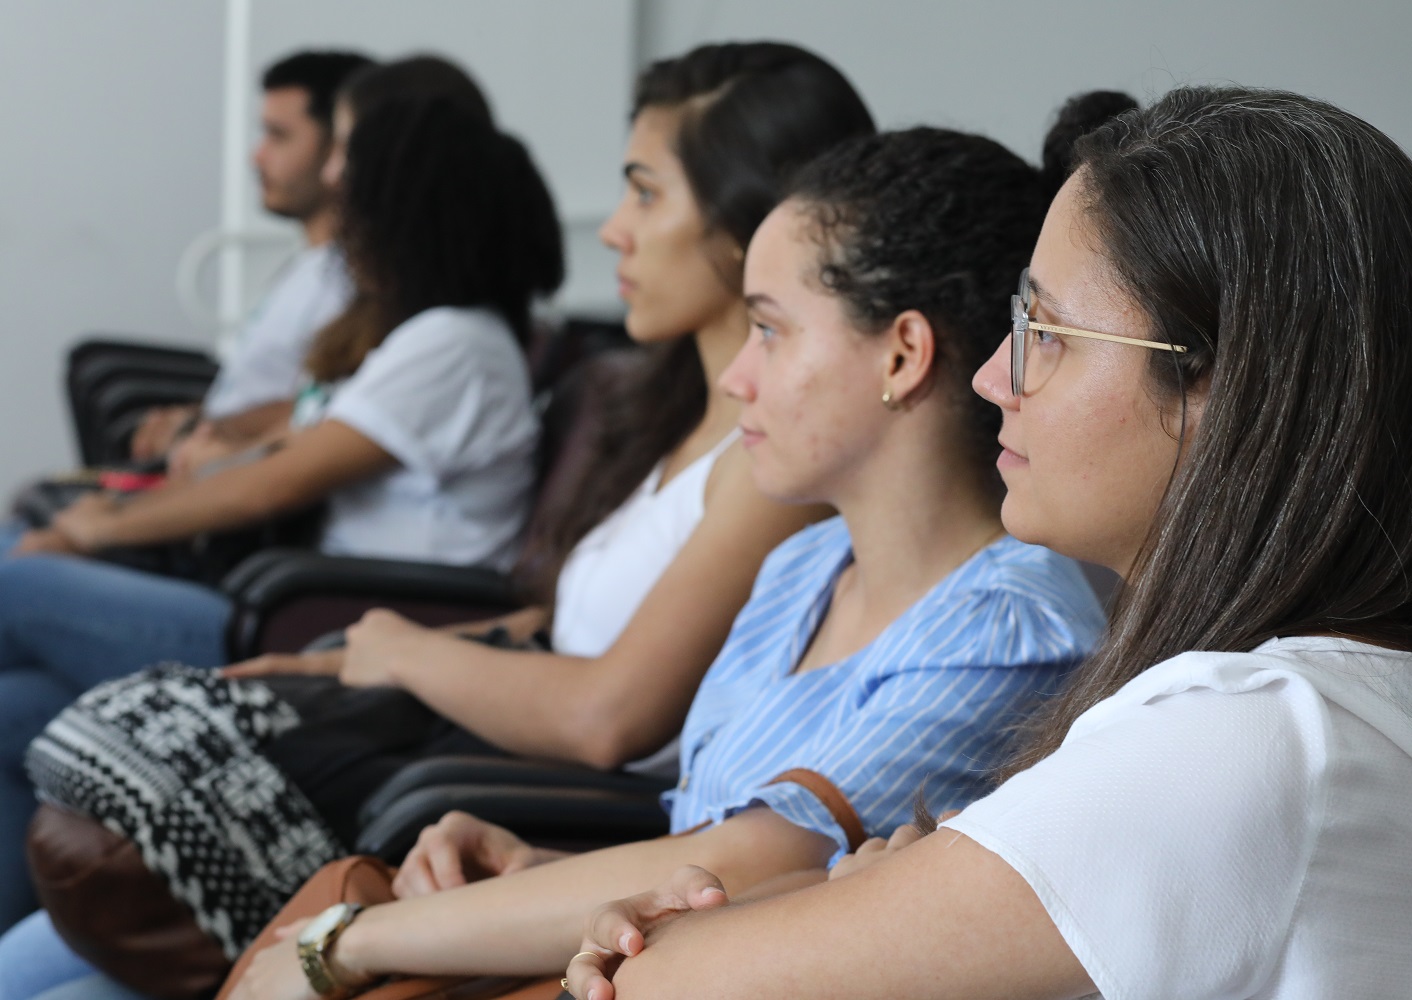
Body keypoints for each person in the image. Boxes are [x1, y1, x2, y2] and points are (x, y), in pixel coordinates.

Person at [565, 86, 1412, 1000]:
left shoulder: (1248, 737)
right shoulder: (1295, 711)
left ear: (1225, 383)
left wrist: (732, 925)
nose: (991, 378)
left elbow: (659, 982)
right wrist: (826, 902)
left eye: (1043, 331)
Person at [0, 41, 876, 999]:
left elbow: (604, 715)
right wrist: (338, 657)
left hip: (489, 805)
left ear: (750, 223)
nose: (615, 230)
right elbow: (558, 625)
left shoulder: (773, 467)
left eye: (645, 194)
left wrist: (401, 652)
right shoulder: (669, 414)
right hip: (451, 762)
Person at [209, 117, 1113, 1000]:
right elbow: (711, 874)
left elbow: (749, 861)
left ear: (904, 354)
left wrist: (346, 942)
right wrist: (542, 872)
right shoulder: (804, 569)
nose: (736, 376)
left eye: (770, 330)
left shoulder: (1009, 631)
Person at [0, 94, 564, 936]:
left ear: (398, 207)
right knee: (17, 705)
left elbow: (278, 483)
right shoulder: (423, 334)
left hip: (313, 635)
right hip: (302, 606)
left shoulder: (455, 344)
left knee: (14, 580)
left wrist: (89, 531)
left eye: (354, 179)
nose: (338, 196)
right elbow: (291, 434)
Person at [132, 50, 369, 466]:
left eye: (278, 136)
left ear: (339, 150)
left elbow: (319, 410)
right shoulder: (307, 265)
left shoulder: (349, 280)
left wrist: (197, 432)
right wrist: (195, 421)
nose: (256, 156)